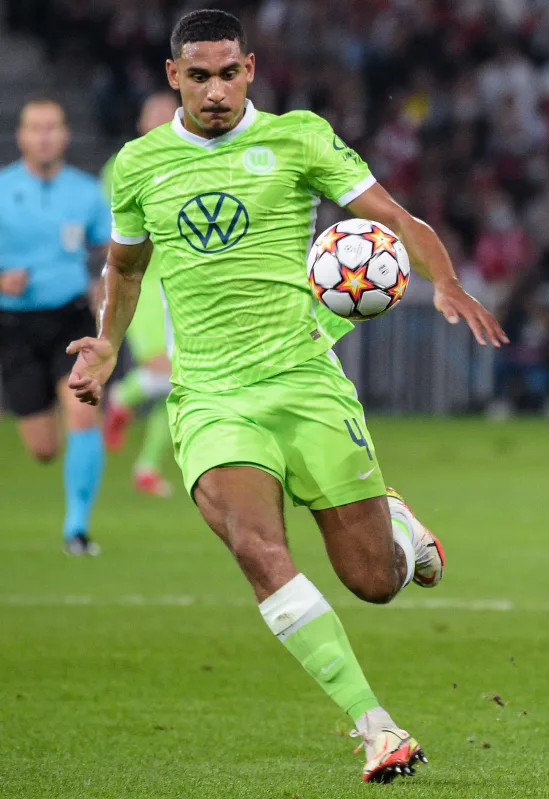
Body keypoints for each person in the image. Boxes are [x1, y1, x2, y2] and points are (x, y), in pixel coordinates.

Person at [66, 10, 507, 784]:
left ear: (251, 69)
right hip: (210, 398)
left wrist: (447, 280)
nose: (214, 89)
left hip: (304, 380)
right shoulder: (139, 164)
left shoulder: (300, 137)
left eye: (227, 73)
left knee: (373, 580)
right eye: (197, 75)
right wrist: (107, 341)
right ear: (174, 76)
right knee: (259, 551)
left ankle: (399, 526)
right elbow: (126, 271)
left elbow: (396, 220)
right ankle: (378, 728)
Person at [0, 99, 111, 555]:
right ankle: (55, 454)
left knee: (84, 412)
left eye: (52, 127)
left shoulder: (86, 193)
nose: (44, 136)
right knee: (43, 447)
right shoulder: (3, 189)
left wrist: (106, 318)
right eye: (35, 128)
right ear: (21, 136)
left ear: (64, 135)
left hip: (71, 320)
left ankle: (77, 529)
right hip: (16, 326)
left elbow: (112, 258)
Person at [100, 91, 178, 497]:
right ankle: (122, 396)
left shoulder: (190, 162)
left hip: (183, 285)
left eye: (170, 114)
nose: (163, 120)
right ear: (140, 123)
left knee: (184, 380)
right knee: (165, 370)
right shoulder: (121, 166)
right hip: (143, 284)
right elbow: (109, 230)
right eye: (155, 114)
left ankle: (146, 466)